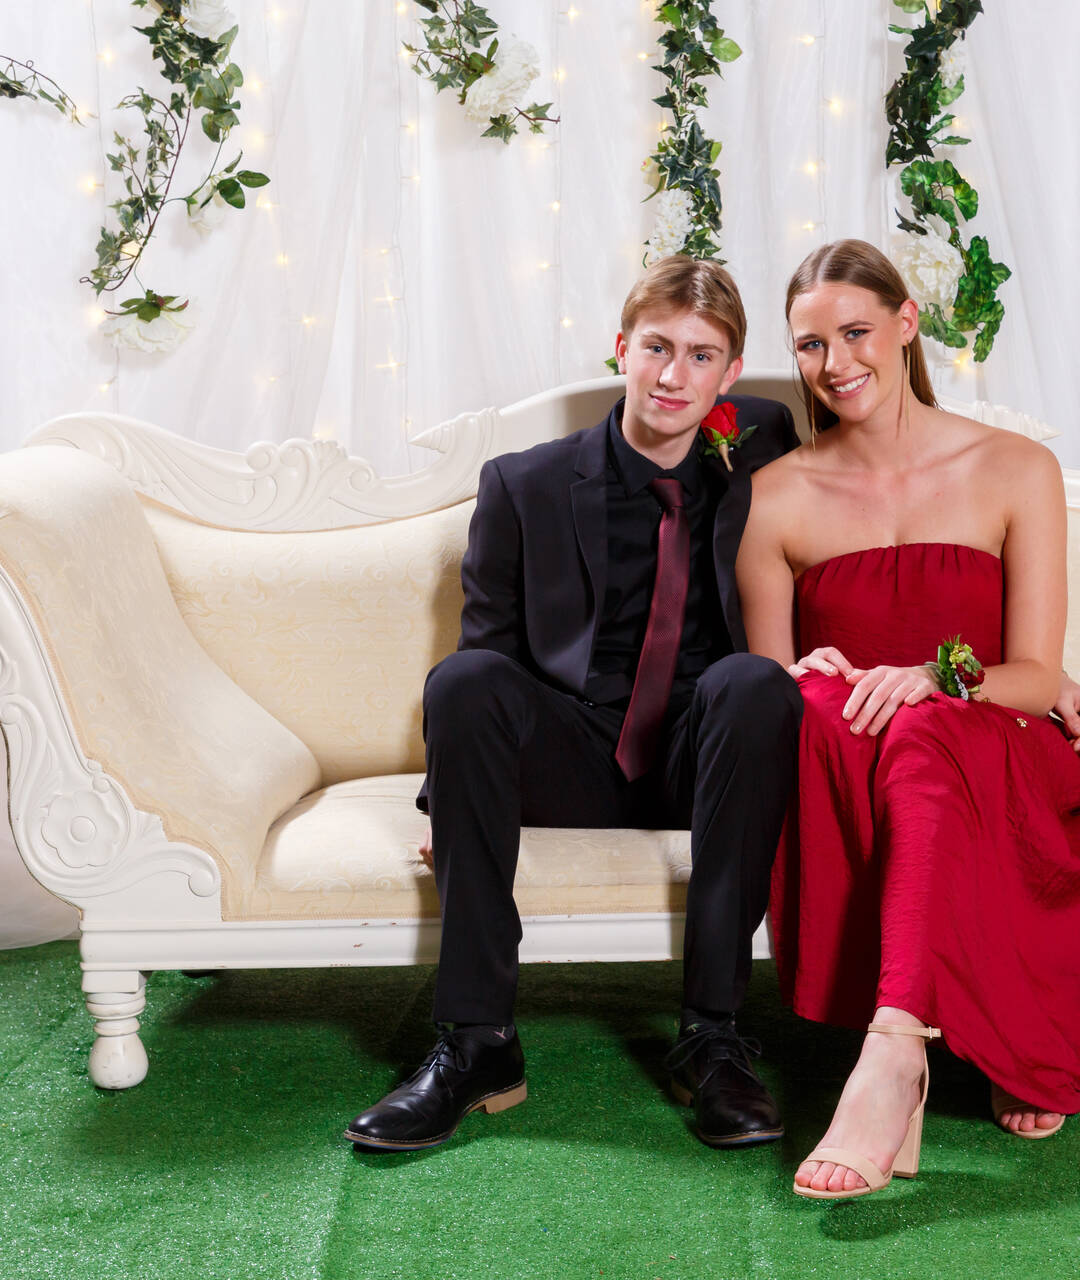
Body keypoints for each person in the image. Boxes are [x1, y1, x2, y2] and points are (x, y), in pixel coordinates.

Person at [344, 256, 804, 1152]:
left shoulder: (761, 453)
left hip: (703, 759)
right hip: (573, 752)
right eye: (657, 348)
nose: (673, 376)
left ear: (731, 376)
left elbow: (855, 452)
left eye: (701, 356)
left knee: (755, 683)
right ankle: (478, 1043)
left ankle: (712, 1038)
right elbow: (488, 652)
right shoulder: (522, 483)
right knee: (464, 679)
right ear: (621, 349)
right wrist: (458, 804)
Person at [735, 239, 1080, 1200]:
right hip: (850, 747)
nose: (835, 364)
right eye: (811, 345)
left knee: (923, 730)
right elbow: (764, 682)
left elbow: (1034, 676)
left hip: (996, 740)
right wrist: (804, 674)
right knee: (827, 708)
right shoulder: (772, 496)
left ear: (907, 323)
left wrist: (932, 678)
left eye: (856, 333)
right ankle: (904, 1049)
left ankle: (893, 1056)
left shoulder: (1015, 468)